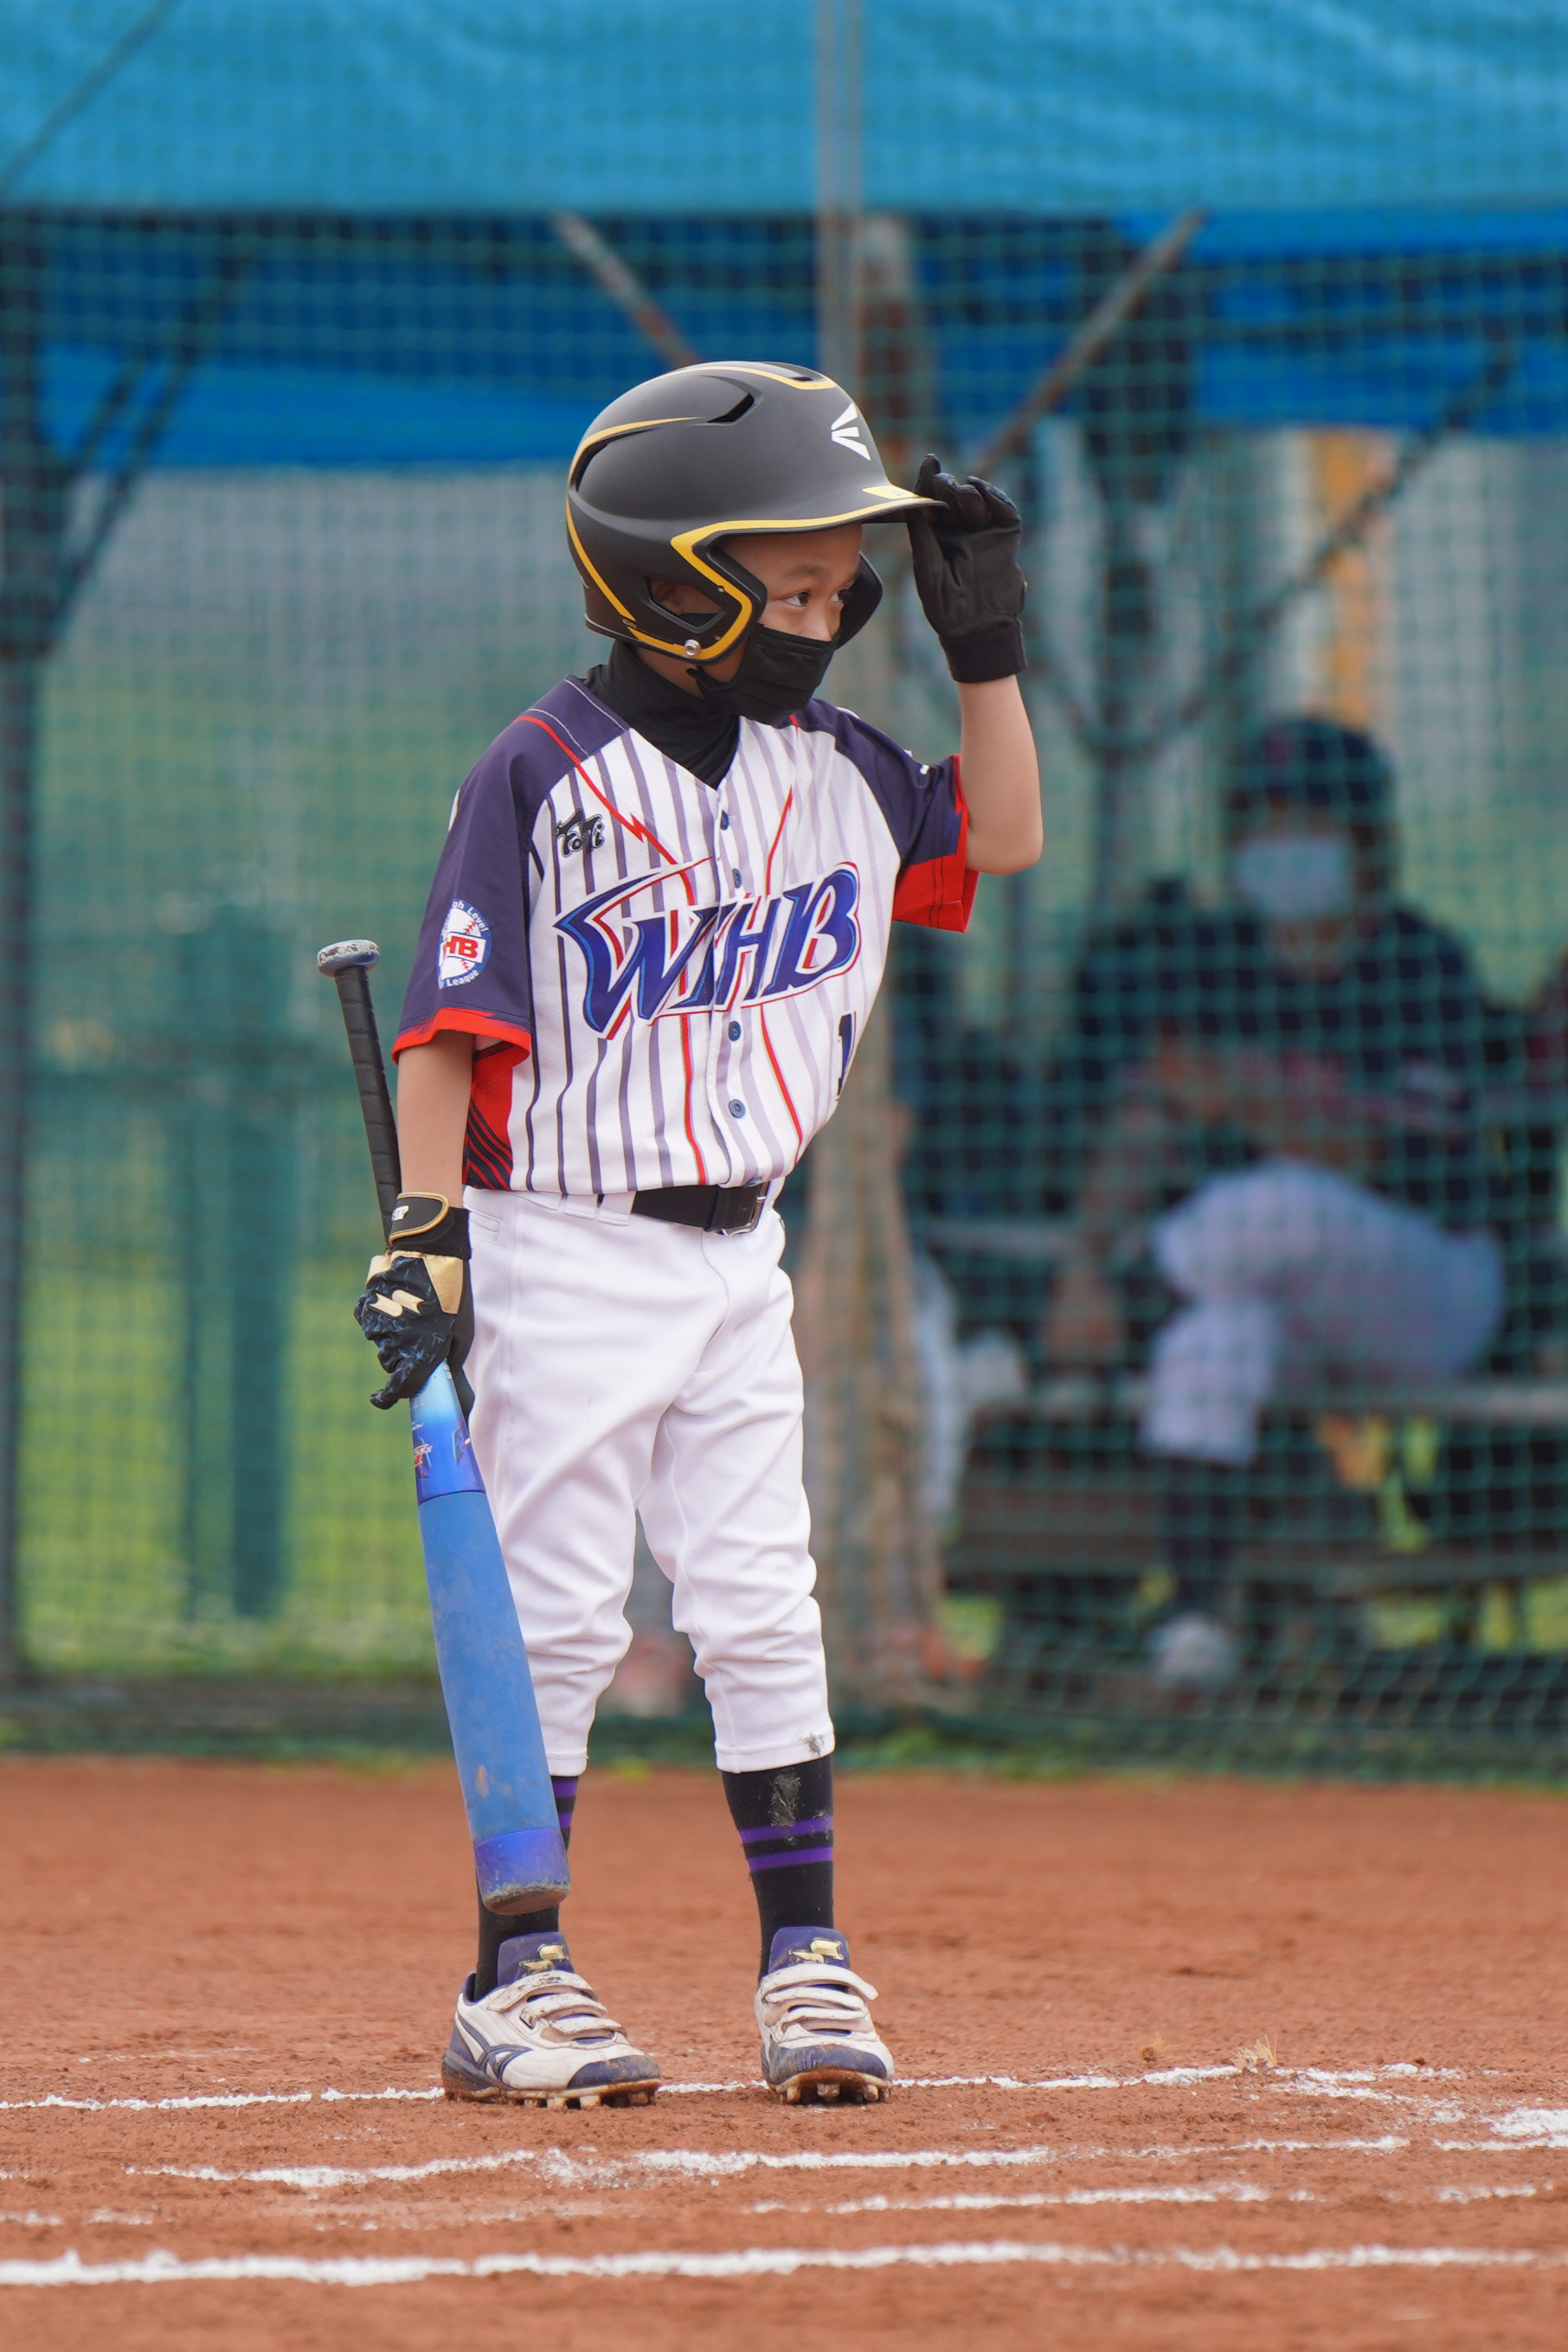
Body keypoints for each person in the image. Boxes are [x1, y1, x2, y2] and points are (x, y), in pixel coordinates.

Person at [354, 362, 1041, 2105]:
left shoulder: (840, 767)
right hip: (565, 1243)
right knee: (563, 1614)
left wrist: (986, 653)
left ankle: (806, 1954)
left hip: (742, 1254)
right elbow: (449, 1026)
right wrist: (425, 1235)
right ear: (672, 586)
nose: (831, 608)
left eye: (839, 582)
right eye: (794, 581)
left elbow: (1008, 833)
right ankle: (513, 1974)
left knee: (759, 1602)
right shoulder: (541, 772)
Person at [1044, 717, 1502, 1688]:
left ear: (1366, 841)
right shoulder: (1216, 962)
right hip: (1263, 1291)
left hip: (1427, 1293)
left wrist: (1246, 1098)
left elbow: (1378, 1159)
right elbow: (1141, 1128)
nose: (1280, 844)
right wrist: (1081, 1264)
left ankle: (1119, 1303)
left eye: (1308, 822)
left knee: (1286, 1202)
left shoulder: (1421, 963)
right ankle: (1197, 1630)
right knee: (1211, 1342)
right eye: (1262, 821)